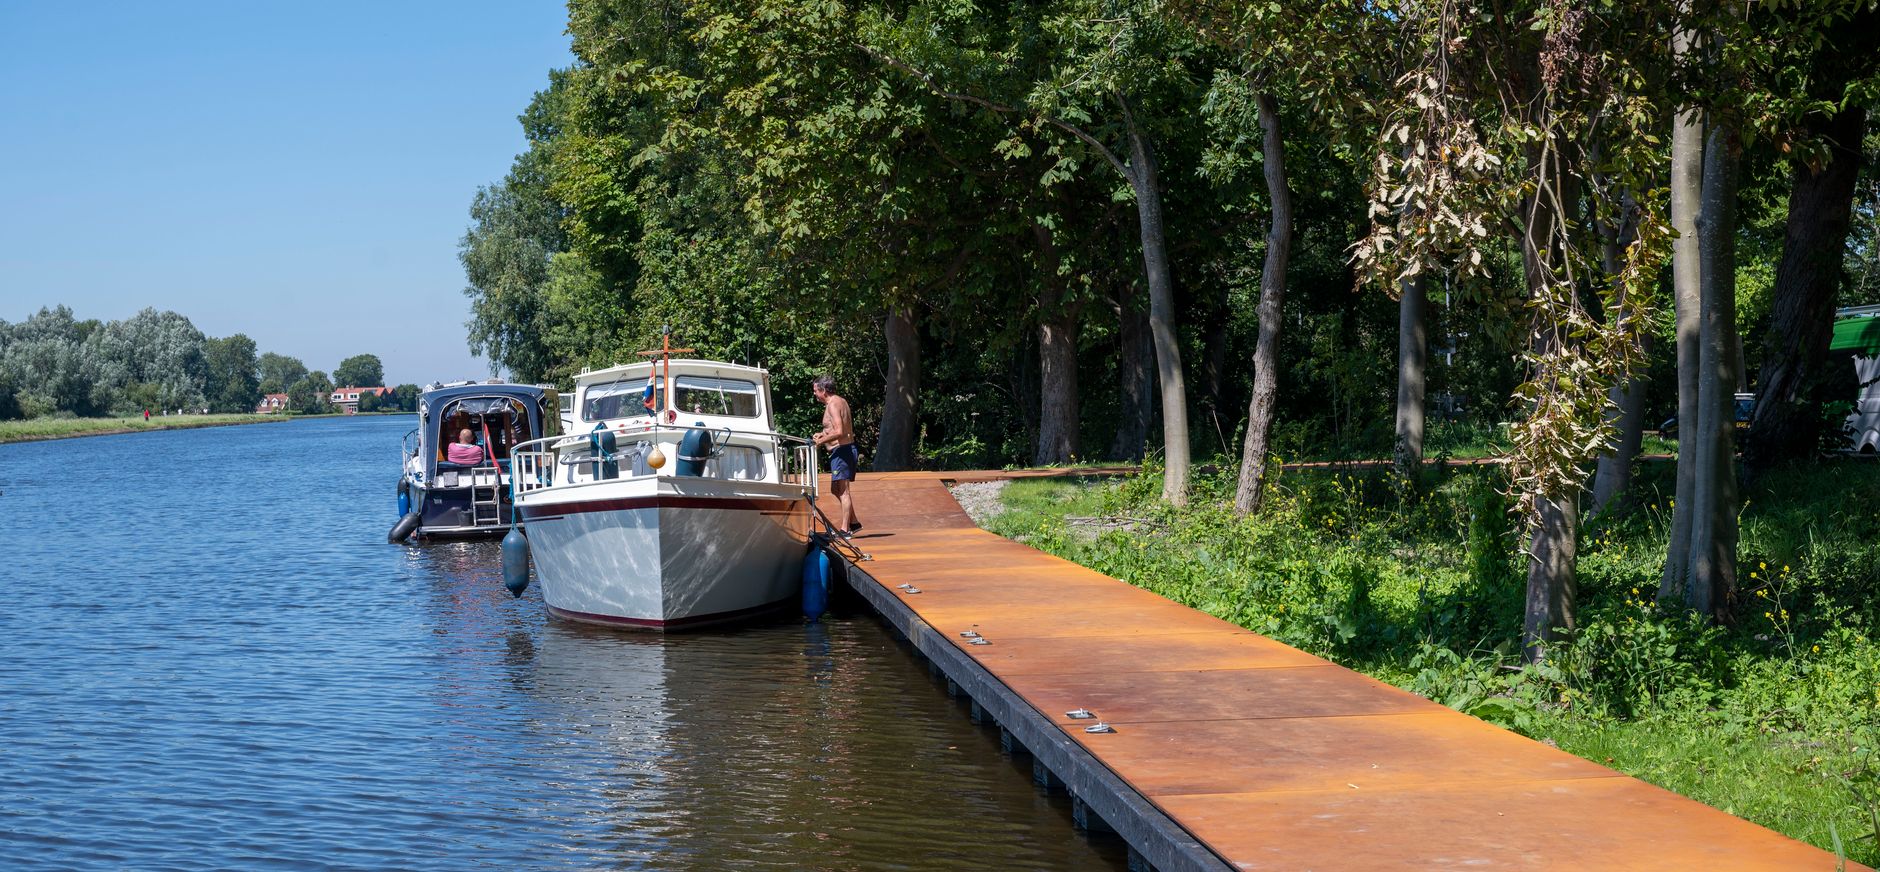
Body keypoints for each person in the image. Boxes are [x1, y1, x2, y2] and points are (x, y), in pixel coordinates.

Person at [811, 375, 863, 537]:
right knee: (836, 490)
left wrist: (819, 442)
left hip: (843, 450)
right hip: (840, 451)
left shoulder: (833, 405)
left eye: (815, 391)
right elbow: (836, 428)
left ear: (823, 390)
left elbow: (840, 432)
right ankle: (854, 523)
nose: (814, 394)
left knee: (843, 491)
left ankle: (844, 530)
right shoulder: (840, 401)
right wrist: (823, 433)